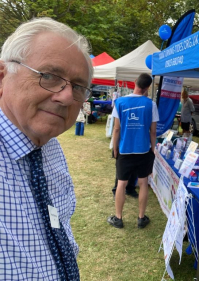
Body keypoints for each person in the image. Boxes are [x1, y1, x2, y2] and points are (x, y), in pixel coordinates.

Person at [0, 17, 93, 280]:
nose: (66, 97)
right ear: (2, 78)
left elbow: (58, 224)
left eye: (77, 86)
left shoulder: (50, 147)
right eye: (49, 76)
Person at [107, 73, 158, 229]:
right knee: (143, 183)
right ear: (148, 87)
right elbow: (153, 132)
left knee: (121, 183)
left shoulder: (120, 102)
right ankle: (141, 218)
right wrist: (153, 149)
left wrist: (115, 148)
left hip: (125, 150)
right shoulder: (151, 104)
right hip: (143, 150)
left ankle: (118, 218)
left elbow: (116, 129)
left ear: (134, 82)